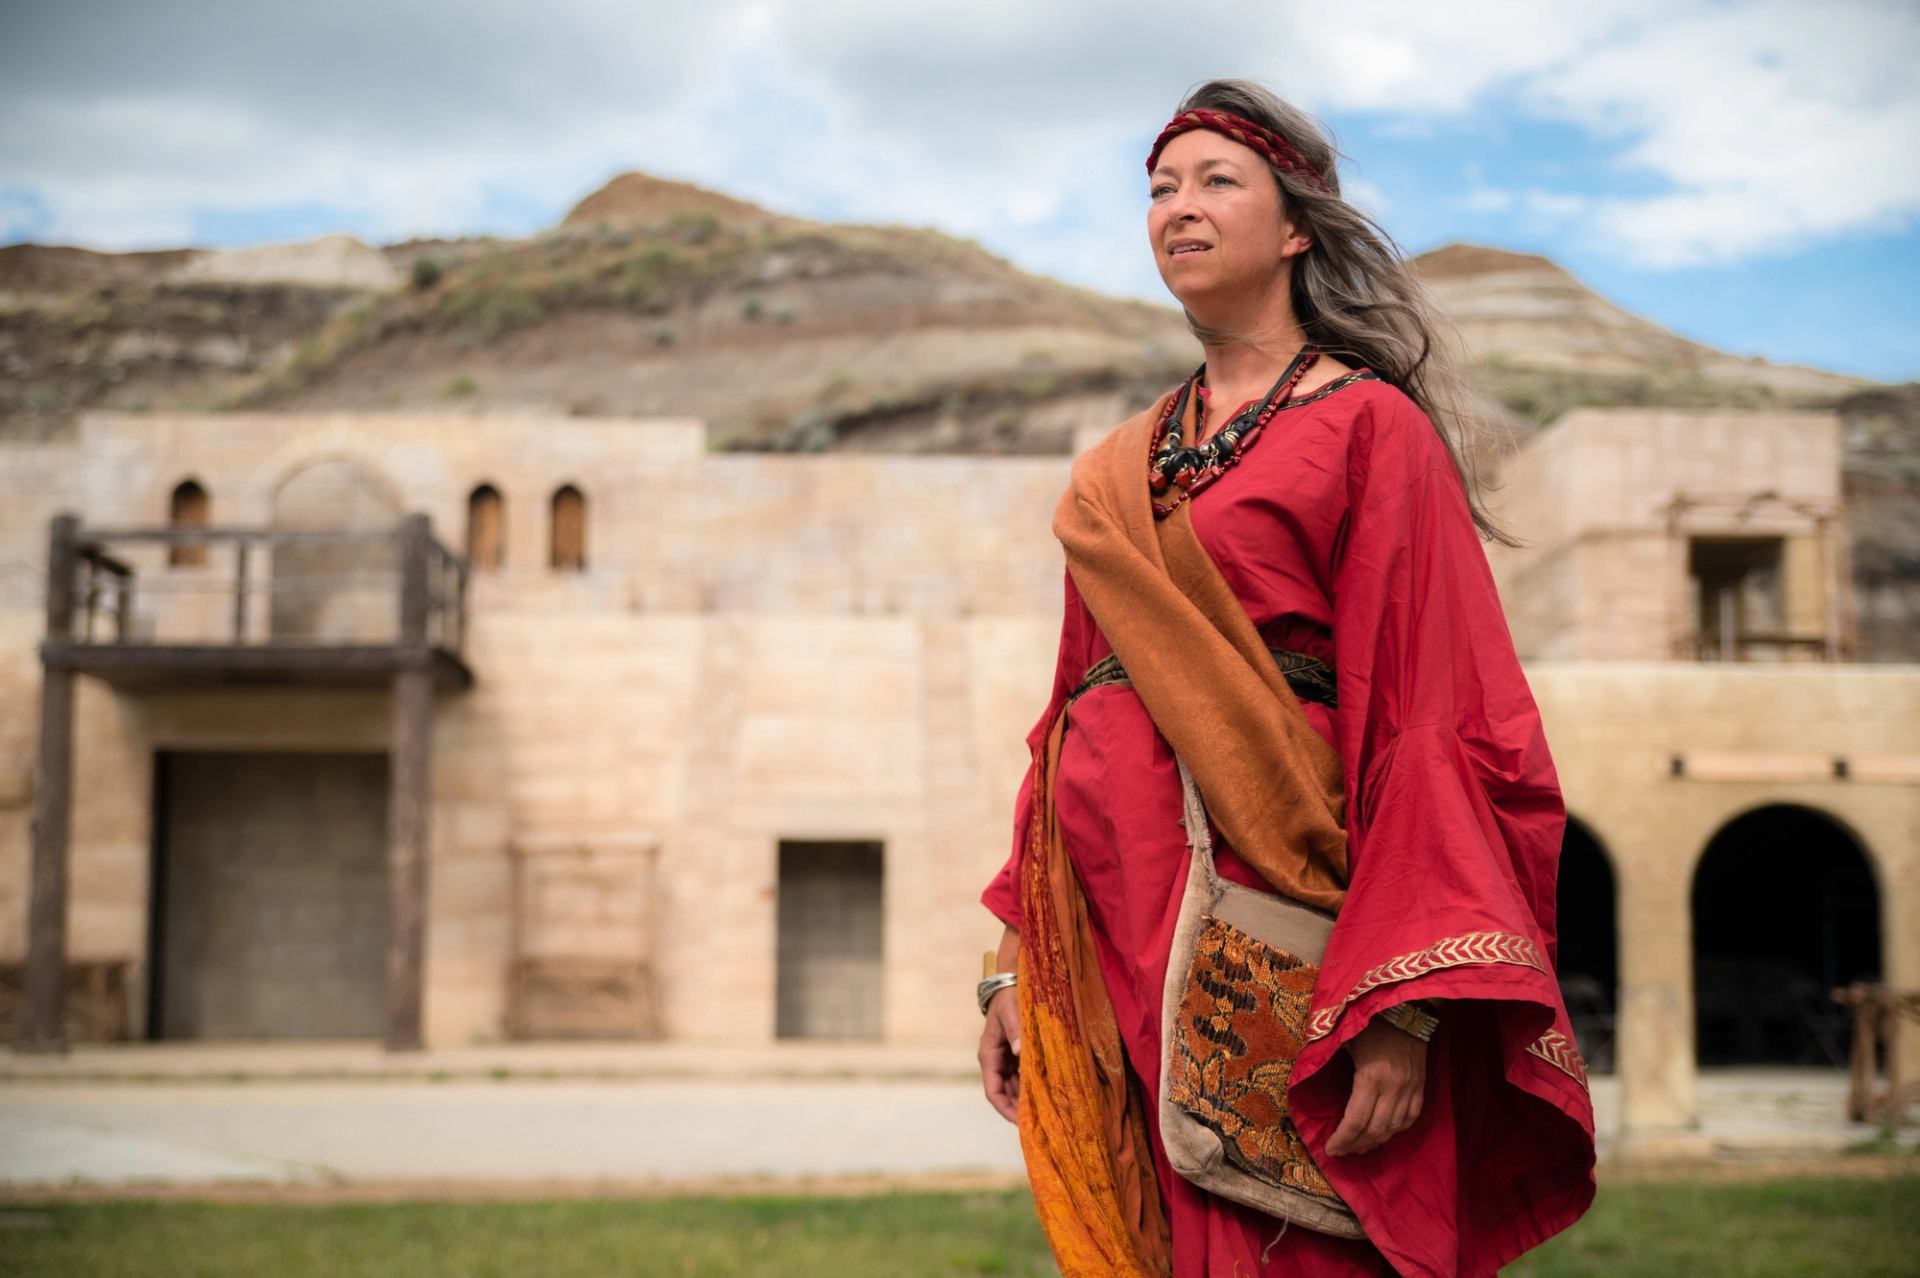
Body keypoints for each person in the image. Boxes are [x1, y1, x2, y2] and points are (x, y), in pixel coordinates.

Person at [975, 78, 1597, 1277]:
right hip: (1110, 922)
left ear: (1297, 225)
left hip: (1280, 925)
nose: (1178, 209)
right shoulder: (1118, 470)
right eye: (1159, 188)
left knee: (1296, 1244)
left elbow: (1430, 721)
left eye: (1217, 182)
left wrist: (1401, 1005)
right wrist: (1013, 955)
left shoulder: (1371, 429)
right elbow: (1064, 718)